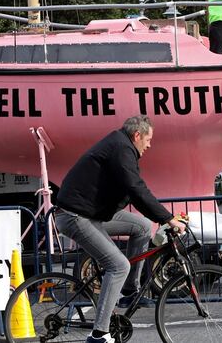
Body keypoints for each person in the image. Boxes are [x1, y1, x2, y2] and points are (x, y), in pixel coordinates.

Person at [55, 115, 186, 343]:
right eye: (148, 139)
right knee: (118, 265)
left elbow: (133, 188)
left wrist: (161, 217)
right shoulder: (121, 149)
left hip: (92, 212)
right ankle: (99, 334)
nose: (149, 144)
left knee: (143, 226)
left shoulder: (121, 146)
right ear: (137, 135)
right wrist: (168, 219)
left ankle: (128, 291)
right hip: (75, 215)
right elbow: (135, 189)